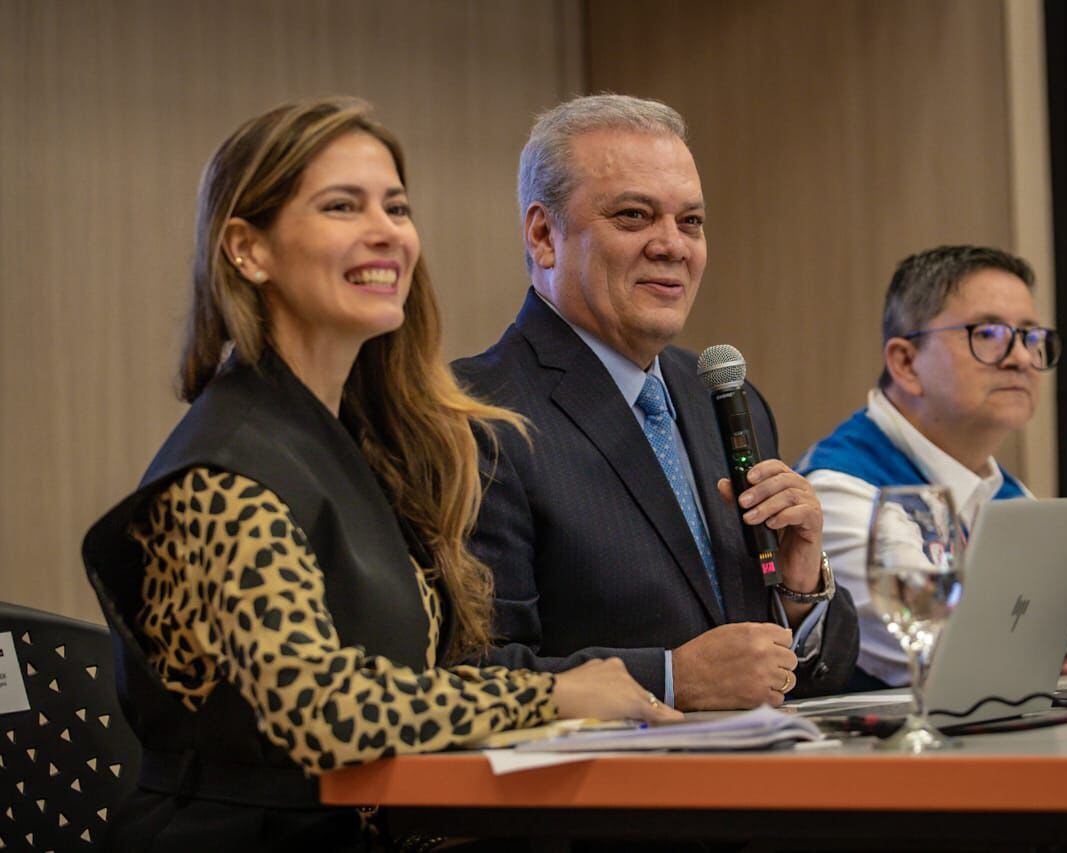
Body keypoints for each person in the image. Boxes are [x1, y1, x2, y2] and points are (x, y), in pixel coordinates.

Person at [81, 97, 678, 852]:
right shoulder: (224, 467)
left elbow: (407, 680)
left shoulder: (349, 441)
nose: (386, 231)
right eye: (342, 205)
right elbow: (323, 710)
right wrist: (553, 693)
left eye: (396, 205)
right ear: (246, 249)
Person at [453, 94, 857, 711]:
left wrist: (800, 589)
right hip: (597, 800)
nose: (672, 245)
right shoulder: (474, 415)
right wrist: (670, 679)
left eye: (690, 221)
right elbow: (468, 671)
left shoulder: (723, 395)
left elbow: (802, 675)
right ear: (543, 235)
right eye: (635, 216)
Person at [798, 245, 1067, 689]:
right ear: (906, 362)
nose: (1020, 358)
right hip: (887, 753)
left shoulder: (1001, 489)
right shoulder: (839, 489)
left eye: (1031, 337)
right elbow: (947, 652)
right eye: (989, 334)